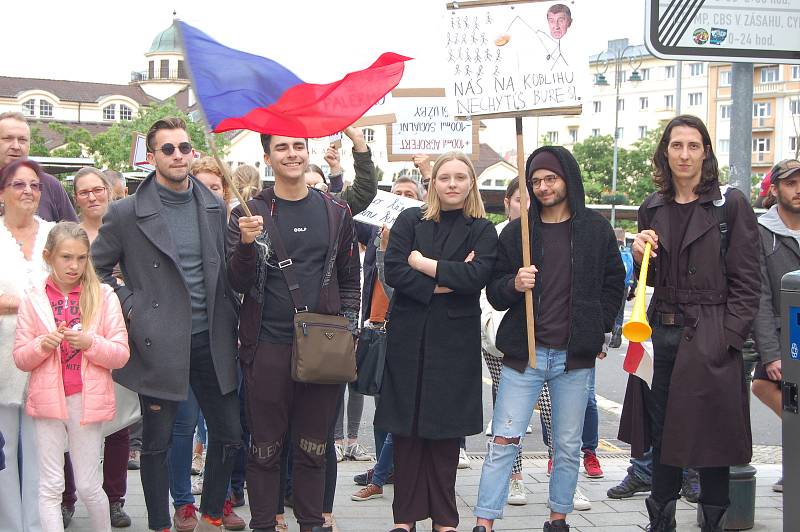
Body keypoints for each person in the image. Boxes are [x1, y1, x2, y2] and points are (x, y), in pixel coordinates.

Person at [91, 117, 242, 532]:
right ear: (153, 156)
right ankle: (160, 522)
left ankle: (212, 512)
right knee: (156, 445)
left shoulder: (213, 205)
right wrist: (132, 305)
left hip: (211, 338)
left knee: (229, 435)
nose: (178, 155)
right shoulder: (125, 212)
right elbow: (96, 268)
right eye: (168, 149)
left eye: (184, 148)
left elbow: (230, 270)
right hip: (160, 341)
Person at [473, 146, 624, 532]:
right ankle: (484, 521)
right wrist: (514, 283)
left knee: (568, 445)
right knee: (504, 439)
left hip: (574, 358)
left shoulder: (595, 229)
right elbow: (493, 290)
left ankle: (558, 517)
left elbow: (613, 284)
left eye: (550, 179)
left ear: (567, 179)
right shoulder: (518, 231)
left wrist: (598, 326)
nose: (542, 187)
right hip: (526, 355)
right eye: (535, 181)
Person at [626, 115, 760, 532]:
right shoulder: (651, 205)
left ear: (706, 152)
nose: (684, 154)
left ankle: (713, 522)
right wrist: (637, 251)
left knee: (714, 439)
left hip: (712, 332)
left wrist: (729, 336)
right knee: (662, 433)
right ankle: (661, 519)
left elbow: (747, 279)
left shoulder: (729, 204)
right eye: (677, 145)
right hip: (662, 332)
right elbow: (647, 277)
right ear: (665, 151)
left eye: (693, 146)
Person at [227, 132, 360, 532]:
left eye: (298, 146)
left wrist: (349, 328)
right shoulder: (248, 212)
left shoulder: (336, 210)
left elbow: (350, 277)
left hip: (324, 347)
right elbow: (236, 281)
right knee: (265, 449)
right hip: (266, 345)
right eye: (281, 148)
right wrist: (246, 245)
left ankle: (311, 524)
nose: (291, 154)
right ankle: (264, 524)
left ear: (308, 152)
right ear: (267, 157)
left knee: (314, 449)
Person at [374, 151, 498, 532]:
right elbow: (393, 270)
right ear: (433, 182)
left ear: (471, 183)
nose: (452, 184)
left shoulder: (482, 228)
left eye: (461, 177)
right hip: (409, 338)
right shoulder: (410, 219)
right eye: (445, 177)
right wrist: (446, 281)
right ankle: (404, 518)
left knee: (445, 436)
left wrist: (424, 264)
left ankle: (445, 518)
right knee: (407, 431)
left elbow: (476, 276)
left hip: (454, 343)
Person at [13, 221, 130, 532]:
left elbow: (120, 353)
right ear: (49, 256)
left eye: (81, 258)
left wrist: (91, 343)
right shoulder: (33, 296)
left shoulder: (104, 295)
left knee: (90, 484)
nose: (74, 265)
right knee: (50, 485)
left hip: (86, 401)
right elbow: (21, 357)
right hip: (47, 400)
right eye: (66, 257)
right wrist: (42, 345)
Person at [60, 168, 133, 528]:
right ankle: (67, 496)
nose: (92, 197)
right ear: (76, 198)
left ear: (110, 191)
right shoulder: (66, 234)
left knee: (117, 424)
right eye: (83, 192)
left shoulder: (128, 228)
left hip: (114, 336)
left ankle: (114, 498)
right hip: (73, 343)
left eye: (97, 190)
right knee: (71, 422)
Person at [350, 176, 424, 503]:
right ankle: (386, 466)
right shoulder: (377, 231)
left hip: (402, 332)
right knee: (381, 406)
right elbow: (350, 213)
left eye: (409, 195)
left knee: (397, 407)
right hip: (375, 328)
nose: (402, 199)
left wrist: (385, 247)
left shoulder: (419, 237)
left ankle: (383, 472)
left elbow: (394, 283)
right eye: (397, 194)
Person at [0, 158, 56, 532]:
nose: (28, 192)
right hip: (2, 357)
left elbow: (72, 285)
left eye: (35, 185)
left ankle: (40, 527)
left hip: (46, 355)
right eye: (19, 184)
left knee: (43, 455)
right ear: (3, 191)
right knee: (2, 453)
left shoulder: (55, 234)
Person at [751, 158, 800, 494]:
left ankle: (792, 466)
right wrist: (770, 353)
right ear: (776, 189)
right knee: (764, 385)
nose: (798, 190)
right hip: (785, 336)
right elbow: (759, 297)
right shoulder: (761, 232)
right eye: (791, 183)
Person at [0, 112, 78, 223]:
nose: (16, 146)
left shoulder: (50, 185)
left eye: (22, 140)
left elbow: (73, 235)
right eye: (8, 138)